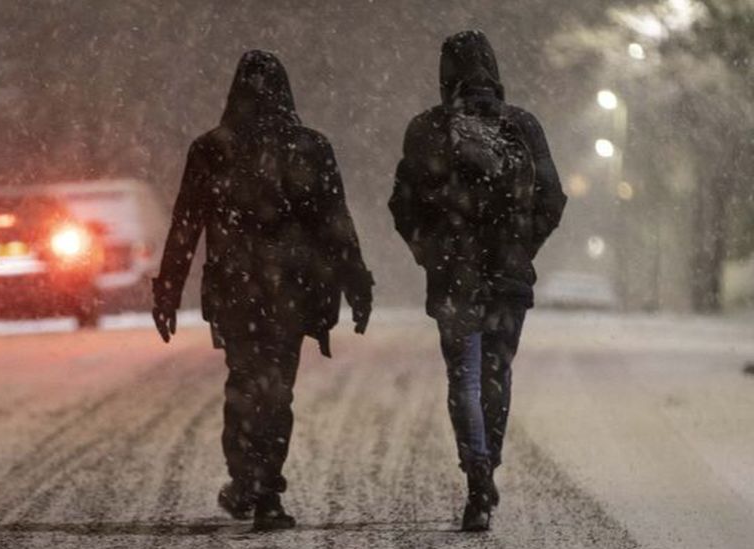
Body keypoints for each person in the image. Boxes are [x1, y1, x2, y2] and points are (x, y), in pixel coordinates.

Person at [152, 50, 373, 531]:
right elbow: (336, 224)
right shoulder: (311, 147)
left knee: (243, 381)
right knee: (277, 388)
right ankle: (268, 487)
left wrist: (167, 290)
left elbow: (186, 225)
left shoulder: (212, 149)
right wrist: (356, 282)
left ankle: (246, 478)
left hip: (236, 289)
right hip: (292, 290)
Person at [389, 30, 566, 531]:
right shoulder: (523, 126)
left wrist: (431, 254)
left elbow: (403, 205)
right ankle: (486, 474)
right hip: (508, 278)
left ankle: (476, 473)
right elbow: (552, 199)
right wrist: (520, 248)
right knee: (496, 376)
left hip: (453, 278)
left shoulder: (427, 128)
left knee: (463, 379)